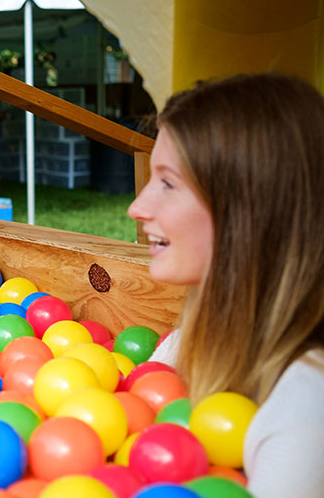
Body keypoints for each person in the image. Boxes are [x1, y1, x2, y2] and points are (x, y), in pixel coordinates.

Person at [127, 73, 324, 497]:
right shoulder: (185, 345)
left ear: (249, 211)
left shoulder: (305, 409)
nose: (136, 207)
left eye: (167, 183)